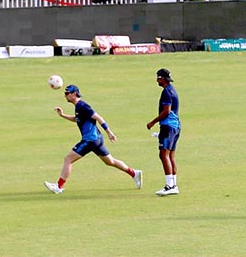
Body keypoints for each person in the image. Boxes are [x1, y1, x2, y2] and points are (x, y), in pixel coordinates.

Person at [44, 84, 142, 194]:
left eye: (67, 93)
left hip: (90, 140)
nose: (65, 95)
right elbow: (77, 119)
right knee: (110, 161)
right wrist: (62, 115)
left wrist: (109, 132)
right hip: (96, 139)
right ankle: (134, 173)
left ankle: (58, 186)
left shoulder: (82, 106)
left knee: (68, 159)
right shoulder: (78, 107)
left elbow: (99, 117)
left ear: (74, 94)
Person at [147, 68, 181, 196]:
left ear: (161, 79)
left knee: (163, 155)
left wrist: (153, 122)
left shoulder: (166, 92)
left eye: (157, 78)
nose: (156, 80)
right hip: (175, 126)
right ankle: (173, 184)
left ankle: (169, 186)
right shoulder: (172, 90)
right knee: (171, 155)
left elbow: (166, 111)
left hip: (168, 126)